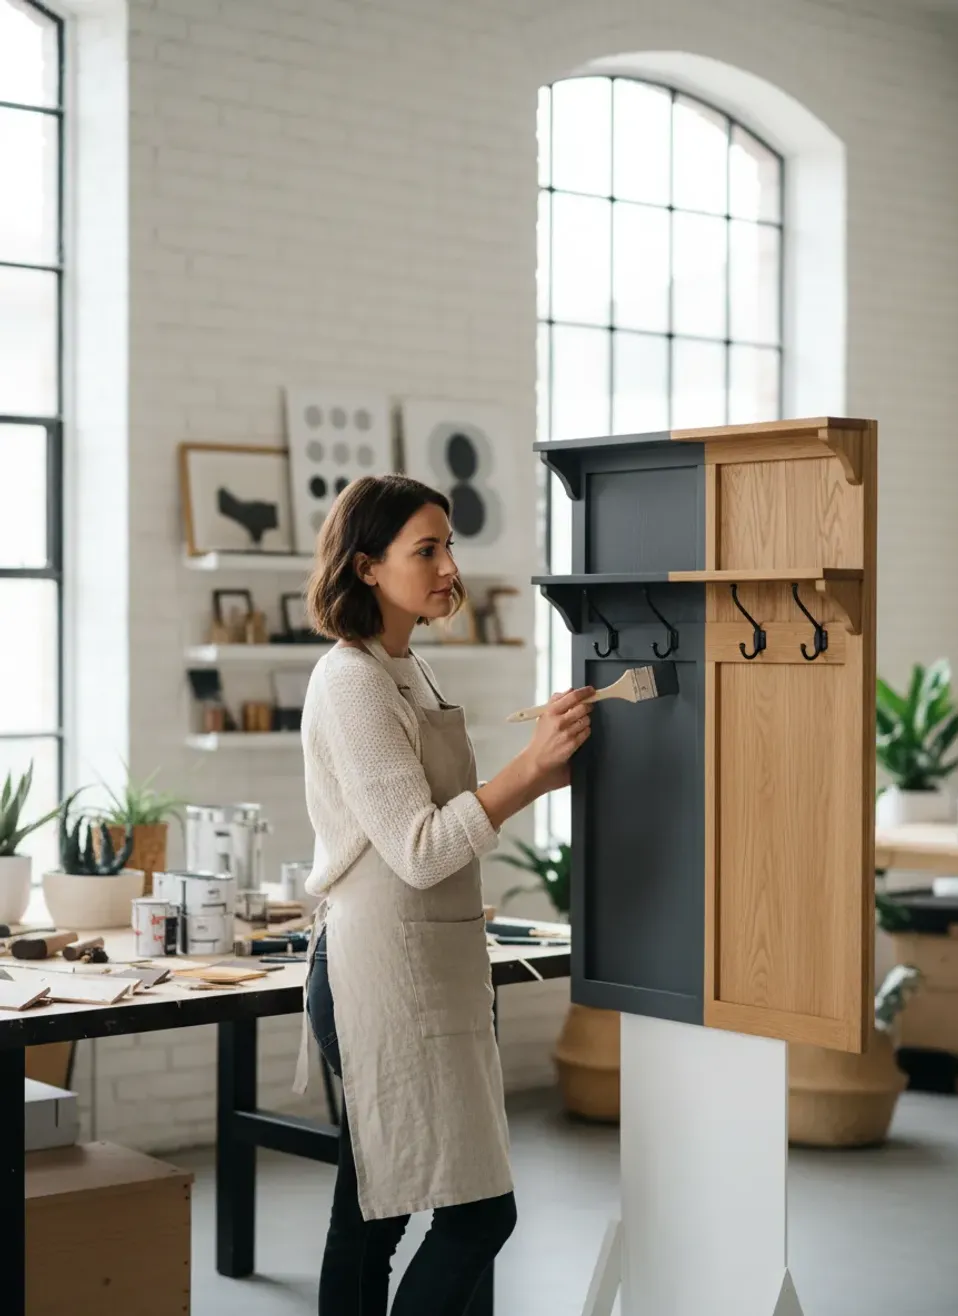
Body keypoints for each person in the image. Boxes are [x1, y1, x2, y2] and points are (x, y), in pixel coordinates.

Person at [294, 473, 594, 1316]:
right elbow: (420, 849)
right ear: (365, 566)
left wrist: (537, 767)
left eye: (448, 545)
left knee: (373, 1213)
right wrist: (529, 773)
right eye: (424, 549)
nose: (446, 565)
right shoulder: (349, 680)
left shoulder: (405, 668)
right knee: (476, 1215)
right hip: (378, 973)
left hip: (427, 963)